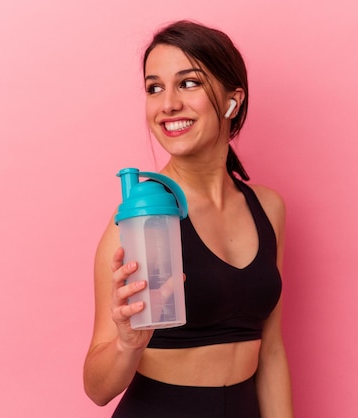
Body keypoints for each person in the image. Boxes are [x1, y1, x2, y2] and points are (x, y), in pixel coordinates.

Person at [83, 20, 293, 417]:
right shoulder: (138, 220)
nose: (168, 105)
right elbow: (96, 389)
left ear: (233, 100)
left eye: (189, 82)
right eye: (154, 88)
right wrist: (128, 345)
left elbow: (273, 349)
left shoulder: (269, 208)